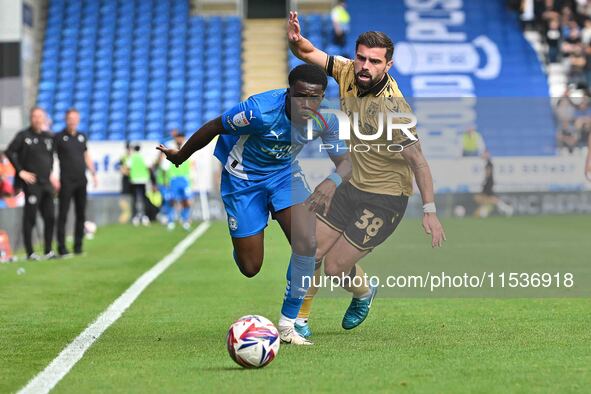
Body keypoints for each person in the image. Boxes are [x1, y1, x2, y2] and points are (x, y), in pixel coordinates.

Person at [158, 64, 351, 345]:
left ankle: (288, 325)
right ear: (288, 93)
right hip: (243, 179)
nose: (306, 104)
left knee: (308, 243)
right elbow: (214, 126)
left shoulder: (325, 120)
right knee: (250, 267)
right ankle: (243, 239)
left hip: (285, 176)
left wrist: (332, 181)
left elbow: (346, 163)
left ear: (322, 97)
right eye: (300, 96)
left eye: (315, 97)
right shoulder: (258, 112)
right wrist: (180, 157)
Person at [288, 12, 446, 338]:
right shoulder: (348, 72)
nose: (364, 66)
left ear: (387, 66)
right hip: (351, 183)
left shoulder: (394, 109)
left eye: (374, 61)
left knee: (334, 267)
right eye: (361, 57)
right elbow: (307, 53)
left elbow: (418, 161)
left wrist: (429, 211)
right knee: (312, 249)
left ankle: (364, 291)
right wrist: (297, 41)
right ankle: (299, 321)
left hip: (385, 198)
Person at [5, 107, 57, 260]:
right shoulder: (23, 135)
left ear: (44, 119)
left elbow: (50, 158)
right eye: (34, 116)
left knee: (50, 217)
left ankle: (48, 250)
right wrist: (20, 171)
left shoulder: (49, 137)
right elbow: (9, 151)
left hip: (46, 183)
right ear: (30, 118)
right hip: (31, 184)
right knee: (30, 217)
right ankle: (30, 253)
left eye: (40, 116)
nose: (37, 119)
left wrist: (51, 173)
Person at [54, 108, 97, 256]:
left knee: (81, 214)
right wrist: (52, 177)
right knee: (63, 214)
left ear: (78, 120)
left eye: (75, 118)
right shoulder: (58, 137)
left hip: (81, 181)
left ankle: (78, 246)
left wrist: (93, 172)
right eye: (70, 118)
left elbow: (86, 155)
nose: (72, 121)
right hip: (66, 181)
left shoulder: (81, 136)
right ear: (66, 120)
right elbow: (50, 157)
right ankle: (62, 248)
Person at [165, 132, 194, 230]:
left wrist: (192, 176)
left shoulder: (188, 147)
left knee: (186, 201)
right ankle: (170, 220)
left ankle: (185, 219)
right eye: (178, 138)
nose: (179, 140)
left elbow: (192, 163)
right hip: (174, 178)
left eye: (181, 138)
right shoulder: (170, 147)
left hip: (185, 178)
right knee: (172, 200)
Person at [473, 150, 514, 218]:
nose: (482, 155)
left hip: (488, 184)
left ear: (487, 154)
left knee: (487, 198)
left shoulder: (489, 163)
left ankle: (506, 208)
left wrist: (485, 182)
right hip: (488, 183)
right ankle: (505, 208)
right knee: (488, 199)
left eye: (484, 154)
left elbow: (488, 174)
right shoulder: (488, 163)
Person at [127, 144, 151, 226]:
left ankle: (135, 217)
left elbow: (128, 167)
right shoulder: (143, 157)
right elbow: (148, 167)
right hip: (143, 180)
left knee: (135, 199)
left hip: (134, 180)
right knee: (144, 198)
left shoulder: (132, 157)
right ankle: (145, 216)